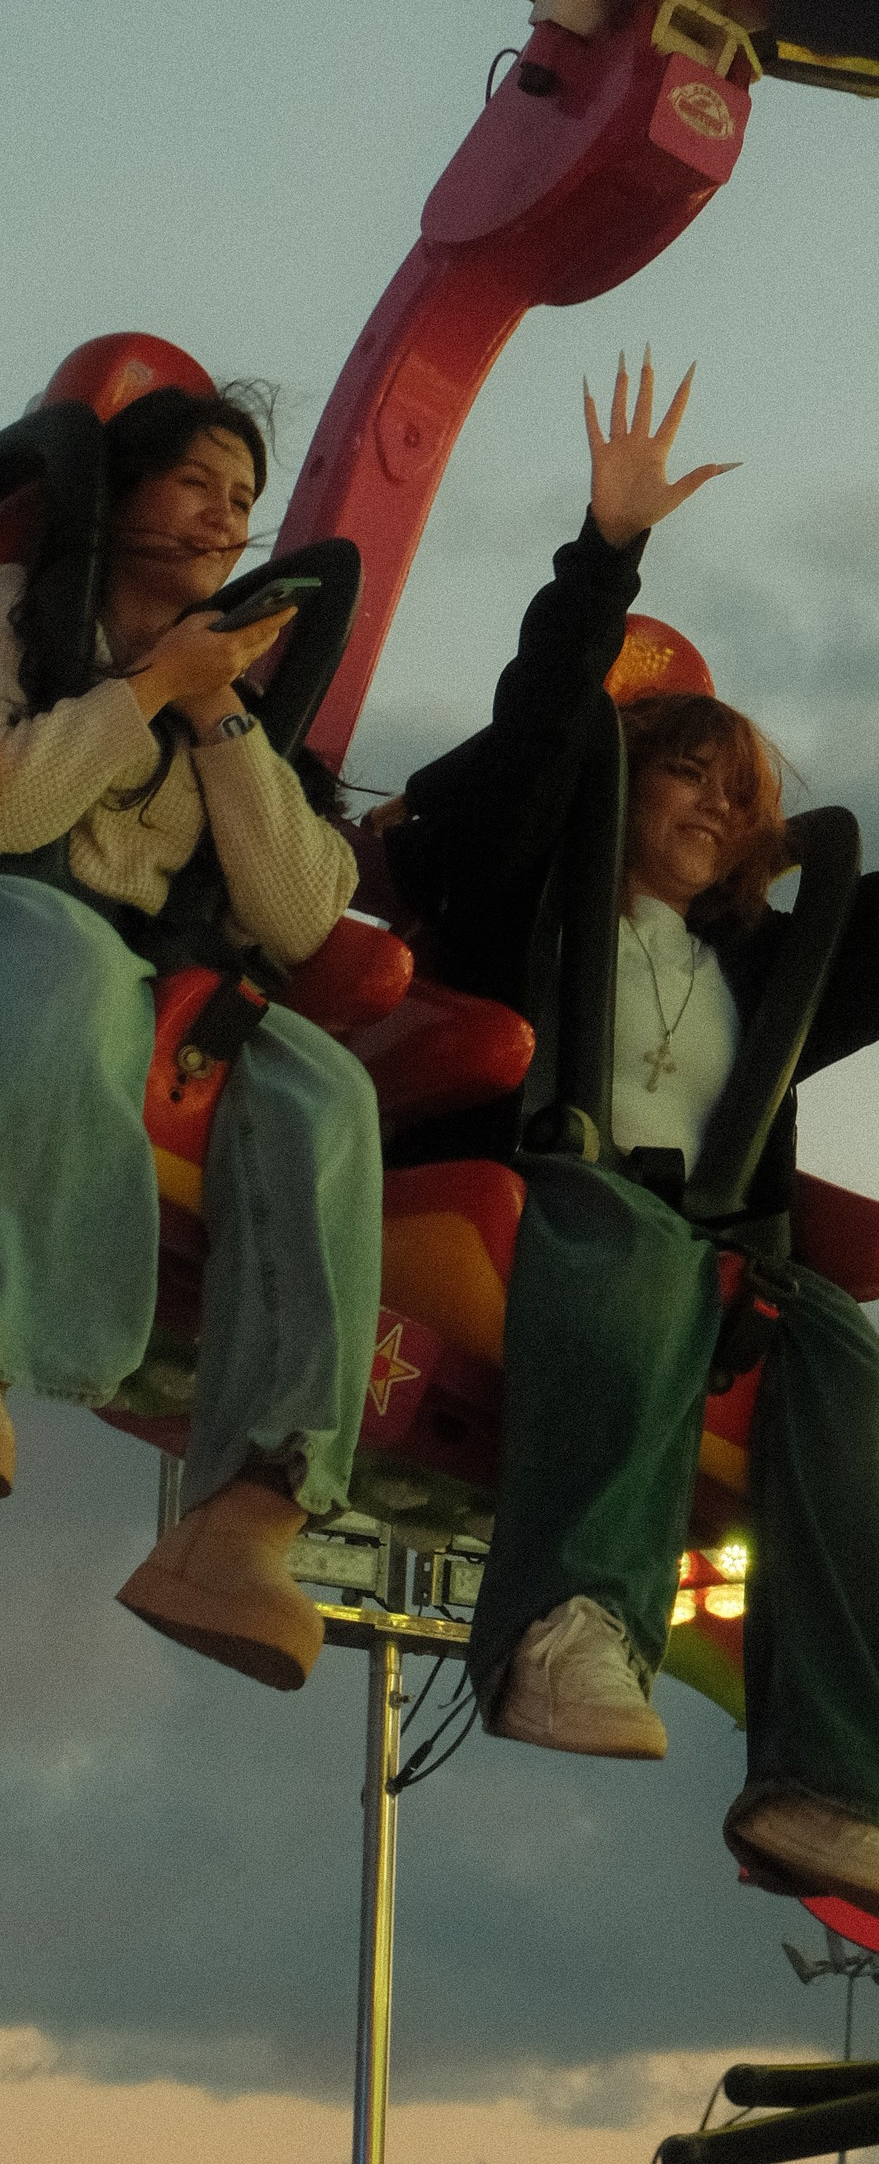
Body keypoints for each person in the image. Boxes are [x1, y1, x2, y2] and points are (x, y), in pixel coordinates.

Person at [393, 355, 879, 1922]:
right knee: (636, 1250)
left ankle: (829, 1778)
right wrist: (604, 555)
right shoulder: (528, 889)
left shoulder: (754, 975)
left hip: (707, 1250)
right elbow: (531, 742)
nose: (722, 808)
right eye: (688, 775)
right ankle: (568, 1626)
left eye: (744, 793)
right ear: (621, 783)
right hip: (543, 1181)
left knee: (851, 1363)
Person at [0, 384, 384, 1687]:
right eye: (198, 488)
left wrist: (216, 710)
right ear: (119, 501)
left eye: (243, 503)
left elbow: (293, 913)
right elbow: (14, 809)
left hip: (154, 978)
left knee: (327, 1094)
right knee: (66, 972)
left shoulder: (228, 704)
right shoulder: (15, 626)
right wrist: (150, 680)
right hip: (22, 922)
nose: (225, 521)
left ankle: (248, 1511)